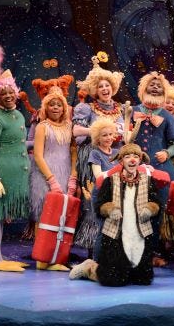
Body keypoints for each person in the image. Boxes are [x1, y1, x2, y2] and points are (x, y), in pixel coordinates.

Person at [0, 48, 30, 272]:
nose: (8, 96)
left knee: (2, 214)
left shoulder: (17, 115)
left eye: (11, 92)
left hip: (15, 172)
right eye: (3, 93)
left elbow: (18, 143)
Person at [73, 51, 125, 252]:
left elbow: (125, 134)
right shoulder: (86, 108)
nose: (105, 89)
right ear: (95, 89)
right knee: (93, 200)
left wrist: (120, 134)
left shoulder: (120, 109)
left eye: (107, 85)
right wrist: (98, 132)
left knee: (114, 200)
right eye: (101, 86)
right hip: (93, 157)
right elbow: (76, 132)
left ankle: (113, 245)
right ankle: (92, 248)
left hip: (114, 157)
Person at [89, 144, 161, 286]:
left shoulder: (148, 180)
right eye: (127, 157)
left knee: (142, 280)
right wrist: (110, 209)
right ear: (121, 160)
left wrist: (150, 209)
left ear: (140, 160)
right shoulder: (110, 180)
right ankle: (88, 269)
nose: (132, 160)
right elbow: (100, 205)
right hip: (116, 233)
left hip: (139, 232)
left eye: (136, 157)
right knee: (113, 280)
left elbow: (156, 202)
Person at [127, 71, 174, 266]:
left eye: (159, 86)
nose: (155, 88)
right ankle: (134, 250)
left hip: (161, 170)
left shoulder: (166, 116)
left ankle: (155, 251)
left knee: (157, 210)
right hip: (134, 168)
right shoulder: (132, 111)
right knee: (133, 209)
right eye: (152, 85)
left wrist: (167, 153)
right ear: (143, 88)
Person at [30, 87, 78, 271]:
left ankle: (57, 257)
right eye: (52, 104)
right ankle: (41, 258)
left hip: (65, 174)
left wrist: (73, 176)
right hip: (44, 175)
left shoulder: (69, 127)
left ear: (64, 108)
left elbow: (73, 153)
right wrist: (51, 179)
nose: (56, 108)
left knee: (61, 216)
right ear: (46, 107)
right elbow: (38, 155)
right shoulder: (42, 127)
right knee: (42, 214)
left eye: (59, 105)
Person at [87, 118, 120, 260]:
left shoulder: (117, 152)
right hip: (101, 195)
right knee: (103, 228)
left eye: (110, 134)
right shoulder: (95, 154)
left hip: (117, 194)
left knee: (117, 228)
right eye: (104, 135)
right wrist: (116, 170)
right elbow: (99, 177)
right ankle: (97, 261)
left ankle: (112, 260)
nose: (108, 138)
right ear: (97, 138)